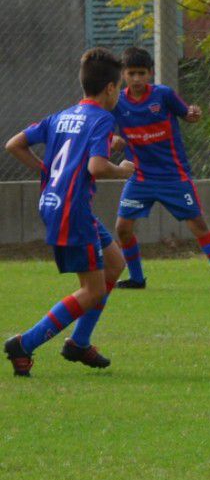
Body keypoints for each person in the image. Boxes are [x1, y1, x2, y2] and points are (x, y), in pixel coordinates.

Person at [3, 48, 134, 377]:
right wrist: (122, 169)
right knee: (92, 289)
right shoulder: (103, 118)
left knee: (116, 264)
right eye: (119, 86)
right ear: (109, 88)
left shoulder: (62, 115)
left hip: (56, 203)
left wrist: (45, 173)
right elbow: (96, 166)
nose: (119, 92)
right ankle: (25, 343)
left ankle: (79, 342)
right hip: (73, 211)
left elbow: (14, 144)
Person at [112, 47, 210, 291]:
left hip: (173, 177)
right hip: (139, 178)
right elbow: (108, 131)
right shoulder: (118, 102)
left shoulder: (163, 95)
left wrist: (193, 114)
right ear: (123, 74)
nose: (136, 79)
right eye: (131, 73)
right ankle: (136, 278)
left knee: (198, 225)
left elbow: (188, 115)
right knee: (122, 229)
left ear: (150, 73)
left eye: (141, 73)